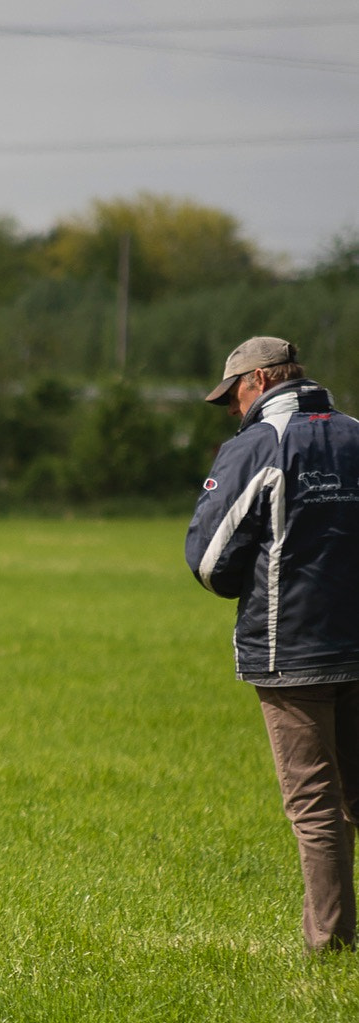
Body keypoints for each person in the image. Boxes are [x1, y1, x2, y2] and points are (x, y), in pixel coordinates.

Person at [186, 336, 359, 953]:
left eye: (233, 395)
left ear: (258, 380)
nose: (233, 409)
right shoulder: (356, 433)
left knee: (314, 805)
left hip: (293, 652)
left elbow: (209, 558)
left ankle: (331, 945)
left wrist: (244, 583)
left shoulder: (259, 445)